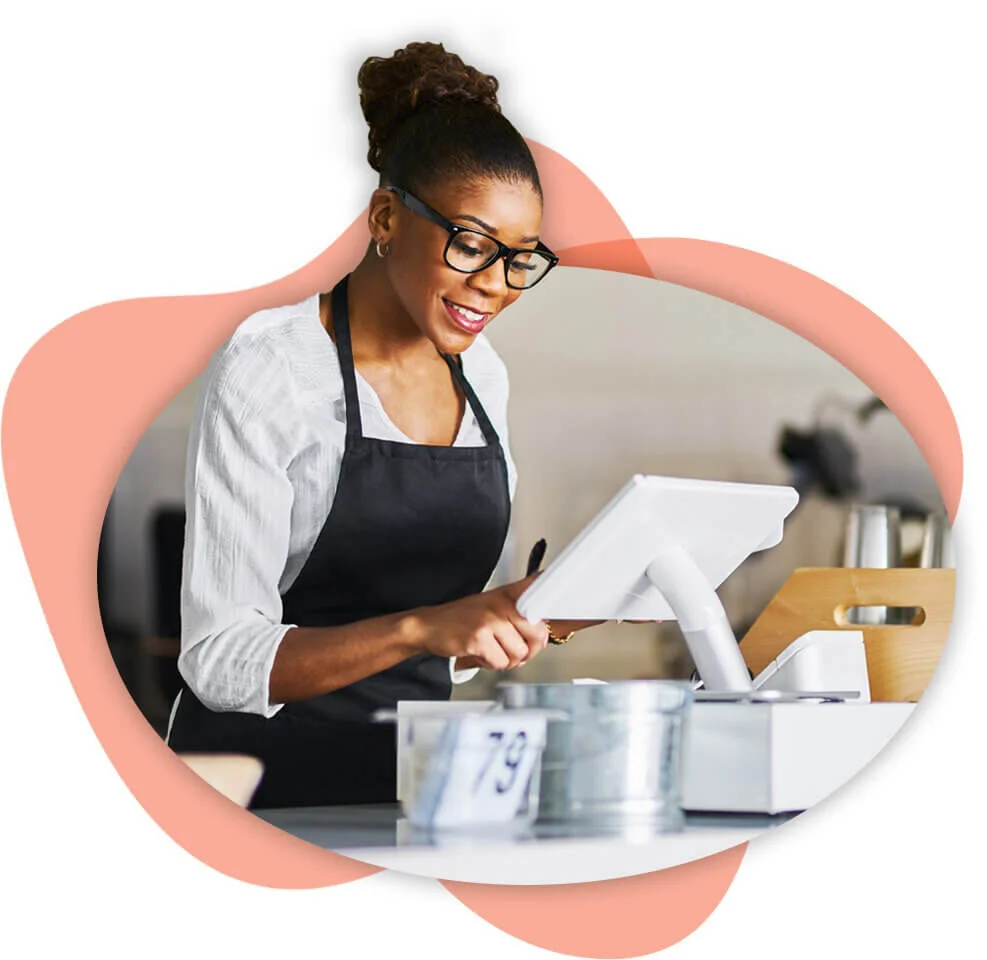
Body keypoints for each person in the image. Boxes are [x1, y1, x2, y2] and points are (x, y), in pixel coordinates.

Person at [166, 41, 591, 809]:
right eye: (471, 245)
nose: (495, 286)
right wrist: (423, 629)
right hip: (253, 789)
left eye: (521, 259)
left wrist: (507, 618)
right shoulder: (273, 368)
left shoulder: (482, 375)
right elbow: (218, 659)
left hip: (410, 791)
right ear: (388, 216)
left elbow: (440, 636)